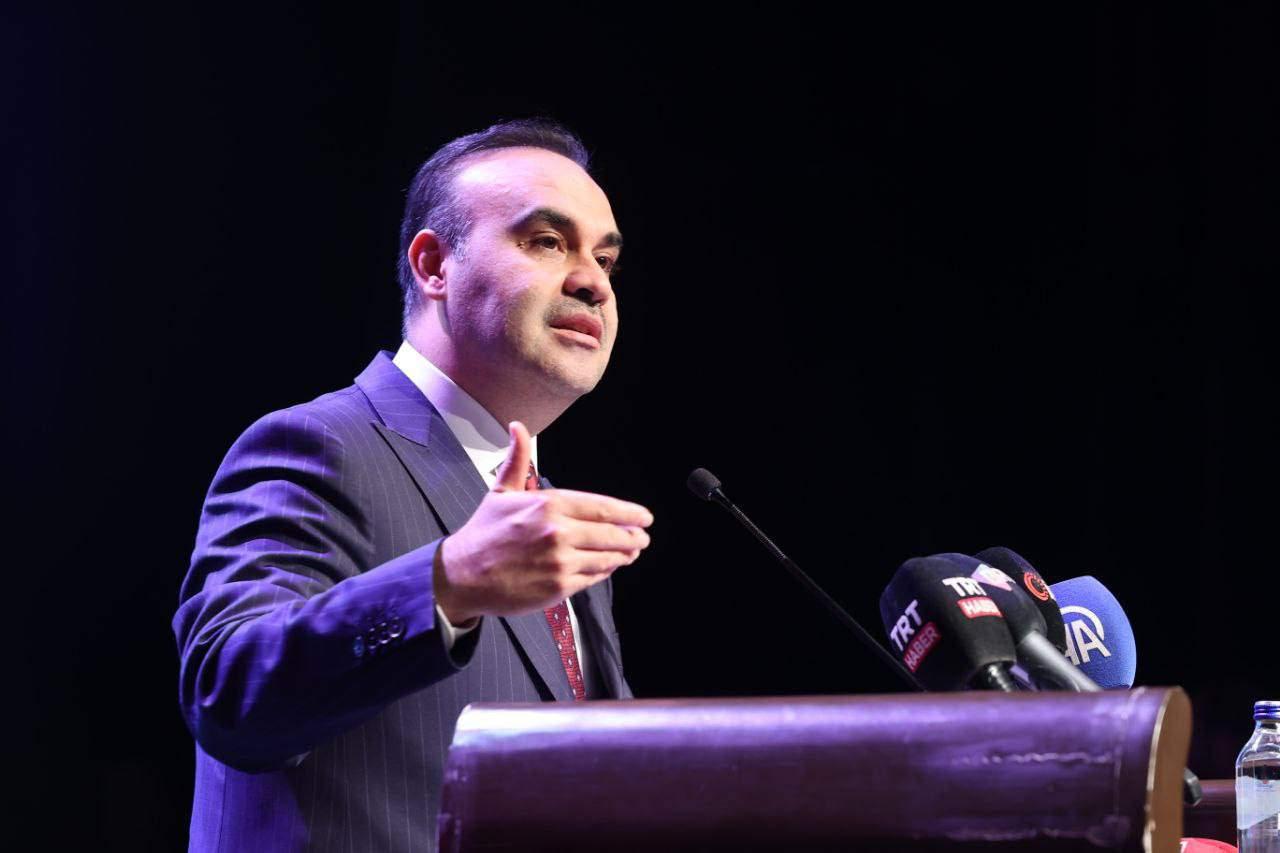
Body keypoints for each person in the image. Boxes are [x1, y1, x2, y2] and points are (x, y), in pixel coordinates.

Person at [173, 119, 653, 852]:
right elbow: (229, 694)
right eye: (547, 242)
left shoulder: (546, 523)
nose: (593, 281)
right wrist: (450, 581)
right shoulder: (320, 445)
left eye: (606, 259)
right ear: (434, 265)